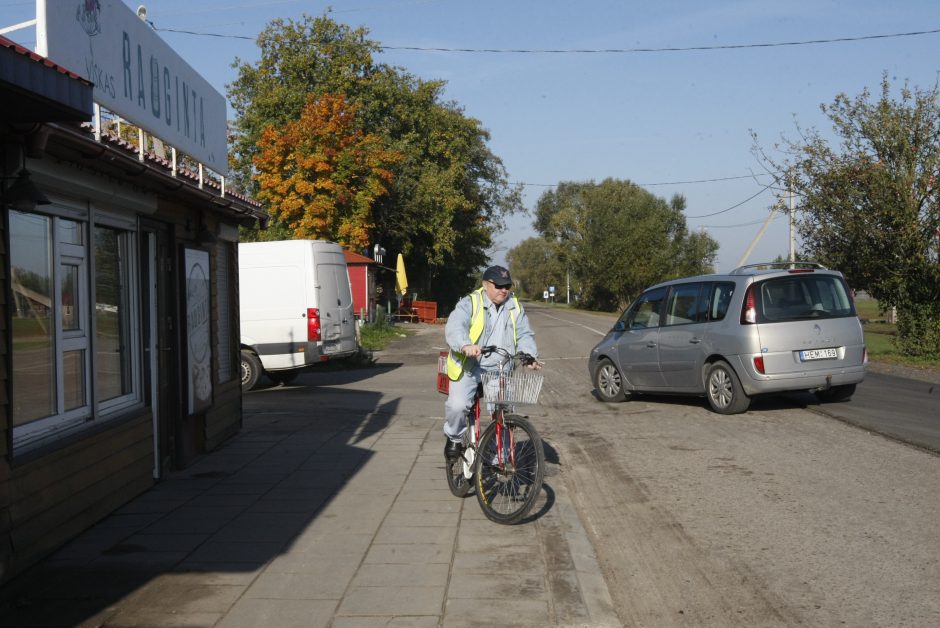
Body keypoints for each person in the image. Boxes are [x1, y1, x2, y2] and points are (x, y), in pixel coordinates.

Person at [443, 265, 539, 461]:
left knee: (503, 413)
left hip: (499, 368)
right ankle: (454, 437)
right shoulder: (470, 303)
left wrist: (529, 354)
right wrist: (465, 345)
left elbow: (524, 333)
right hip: (470, 366)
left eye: (507, 286)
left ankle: (500, 458)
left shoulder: (514, 306)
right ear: (486, 284)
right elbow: (455, 325)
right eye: (499, 286)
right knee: (458, 405)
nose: (504, 290)